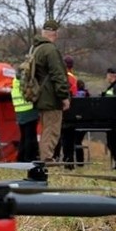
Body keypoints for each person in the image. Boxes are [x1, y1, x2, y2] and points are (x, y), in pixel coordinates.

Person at [31, 19, 71, 163]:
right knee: (52, 130)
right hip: (51, 98)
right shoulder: (51, 50)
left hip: (40, 96)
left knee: (46, 129)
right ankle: (46, 159)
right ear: (55, 33)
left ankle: (45, 157)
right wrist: (64, 96)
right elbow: (58, 74)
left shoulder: (36, 49)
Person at [11, 73, 39, 162]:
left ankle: (20, 158)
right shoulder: (26, 84)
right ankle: (29, 158)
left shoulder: (14, 85)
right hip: (29, 111)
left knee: (23, 137)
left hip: (19, 113)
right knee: (30, 137)